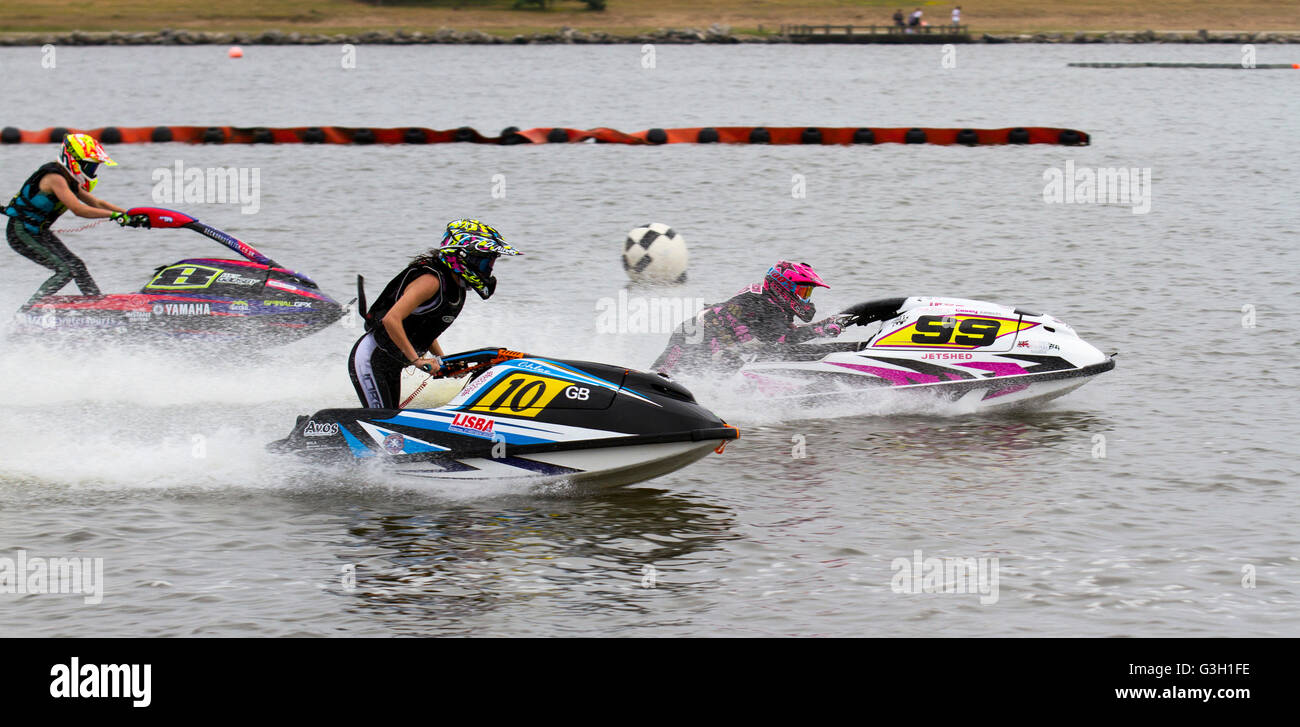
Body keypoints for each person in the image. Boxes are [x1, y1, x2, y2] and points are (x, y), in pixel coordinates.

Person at [349, 219, 522, 409]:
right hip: (372, 357)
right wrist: (417, 360)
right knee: (383, 419)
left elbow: (424, 329)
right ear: (463, 255)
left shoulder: (456, 288)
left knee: (390, 414)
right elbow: (392, 319)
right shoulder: (430, 281)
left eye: (491, 262)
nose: (488, 269)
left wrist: (444, 361)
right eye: (485, 261)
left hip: (391, 362)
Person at [3, 133, 146, 306]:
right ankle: (28, 312)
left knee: (76, 266)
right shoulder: (55, 178)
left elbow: (96, 202)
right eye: (90, 167)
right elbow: (78, 209)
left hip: (37, 232)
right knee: (64, 271)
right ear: (73, 160)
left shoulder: (68, 179)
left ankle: (96, 305)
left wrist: (129, 214)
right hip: (21, 232)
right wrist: (114, 216)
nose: (92, 172)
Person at [652, 260, 844, 377]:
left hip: (722, 350)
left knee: (720, 380)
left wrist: (826, 323)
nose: (806, 299)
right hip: (693, 338)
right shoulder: (765, 304)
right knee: (659, 379)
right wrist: (821, 329)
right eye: (803, 291)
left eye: (808, 292)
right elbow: (786, 339)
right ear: (784, 287)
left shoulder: (771, 303)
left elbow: (786, 333)